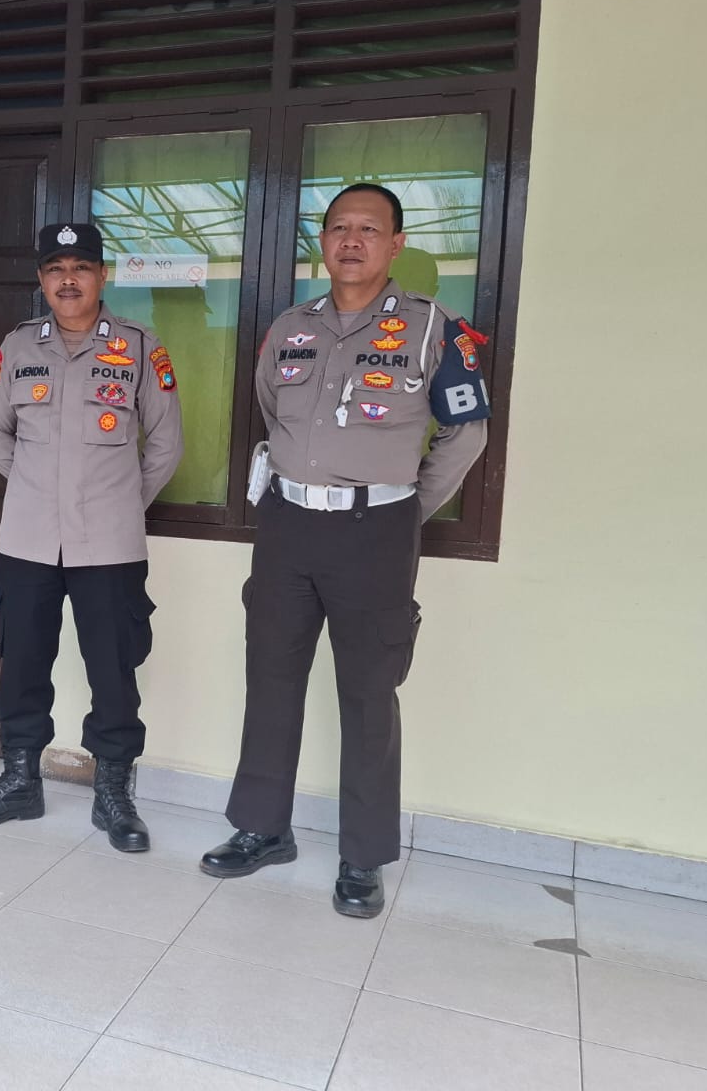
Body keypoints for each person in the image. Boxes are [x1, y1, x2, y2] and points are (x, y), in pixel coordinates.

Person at [199, 183, 490, 916]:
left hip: (376, 531)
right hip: (288, 525)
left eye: (369, 229)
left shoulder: (432, 329)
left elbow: (467, 432)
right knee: (271, 677)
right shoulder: (290, 327)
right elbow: (273, 411)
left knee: (368, 694)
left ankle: (362, 856)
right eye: (339, 228)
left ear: (396, 245)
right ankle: (263, 828)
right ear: (323, 242)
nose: (352, 240)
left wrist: (404, 507)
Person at [0, 223, 184, 852]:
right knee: (22, 662)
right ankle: (20, 780)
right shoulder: (17, 346)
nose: (68, 280)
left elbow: (165, 444)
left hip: (109, 544)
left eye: (81, 267)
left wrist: (118, 503)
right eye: (56, 268)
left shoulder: (140, 347)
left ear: (103, 276)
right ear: (41, 280)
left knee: (113, 669)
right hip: (28, 539)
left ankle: (114, 794)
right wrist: (40, 492)